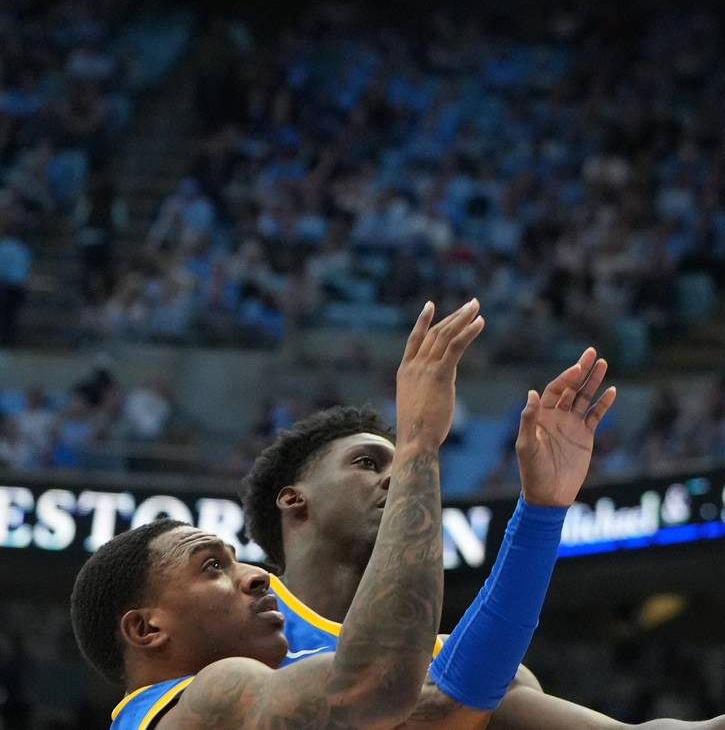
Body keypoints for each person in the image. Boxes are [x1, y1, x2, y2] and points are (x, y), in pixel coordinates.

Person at [241, 356, 725, 730]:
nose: (399, 477)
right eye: (367, 463)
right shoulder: (238, 623)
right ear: (294, 500)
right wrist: (417, 442)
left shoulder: (456, 654)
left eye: (401, 464)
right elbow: (431, 704)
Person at [71, 298, 486, 728]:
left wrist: (538, 512)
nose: (257, 574)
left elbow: (445, 702)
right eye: (211, 567)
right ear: (146, 629)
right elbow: (378, 682)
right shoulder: (211, 696)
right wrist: (418, 442)